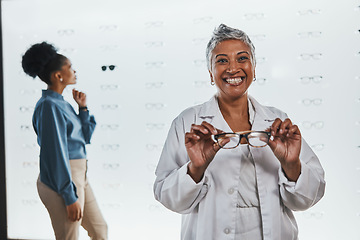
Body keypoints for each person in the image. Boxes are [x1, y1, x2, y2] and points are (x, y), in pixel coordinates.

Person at [153, 24, 325, 240]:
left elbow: (307, 198)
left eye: (242, 58)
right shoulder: (188, 123)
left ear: (254, 68)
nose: (233, 68)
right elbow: (167, 197)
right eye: (222, 60)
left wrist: (292, 165)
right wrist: (195, 168)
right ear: (210, 72)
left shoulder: (277, 121)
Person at [22, 42, 108, 240]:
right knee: (69, 237)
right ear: (58, 76)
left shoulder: (61, 103)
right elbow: (55, 155)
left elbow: (84, 138)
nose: (74, 70)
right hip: (62, 181)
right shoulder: (48, 106)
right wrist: (70, 197)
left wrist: (83, 109)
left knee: (100, 230)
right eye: (69, 67)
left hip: (78, 177)